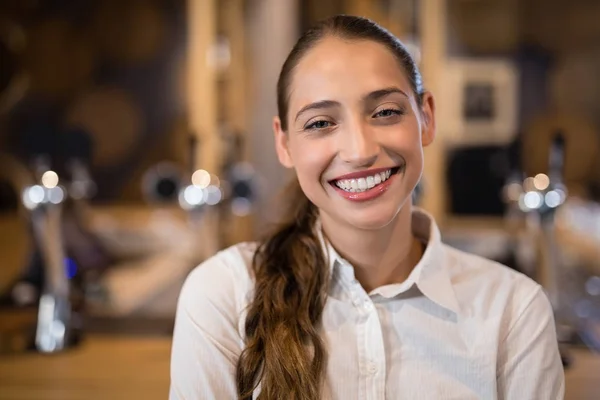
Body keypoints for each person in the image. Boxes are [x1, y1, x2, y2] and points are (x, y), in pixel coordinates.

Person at [169, 15, 564, 400]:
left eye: (386, 112)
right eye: (321, 123)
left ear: (425, 117)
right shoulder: (224, 296)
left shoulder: (514, 312)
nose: (360, 151)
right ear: (284, 143)